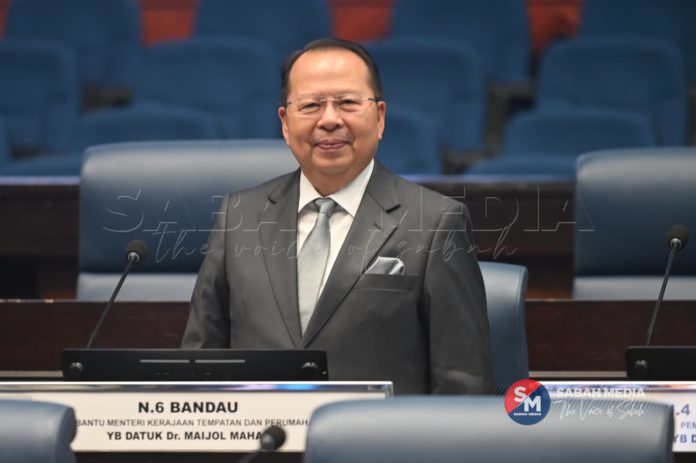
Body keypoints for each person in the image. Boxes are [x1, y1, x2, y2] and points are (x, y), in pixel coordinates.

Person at [182, 37, 493, 395]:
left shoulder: (436, 222)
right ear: (285, 124)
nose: (329, 120)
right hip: (258, 431)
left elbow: (464, 383)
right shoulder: (239, 216)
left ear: (380, 117)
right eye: (310, 105)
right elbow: (199, 365)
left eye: (347, 103)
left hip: (378, 431)